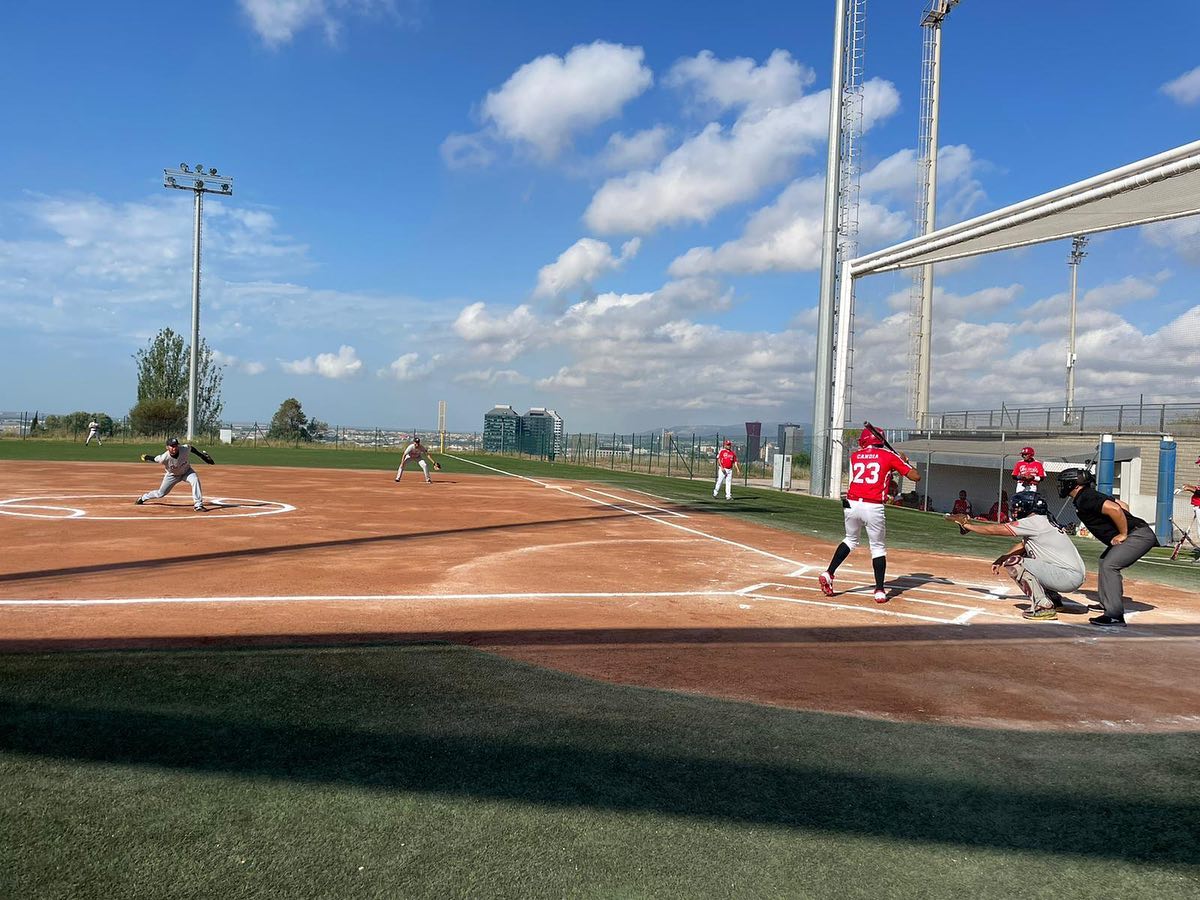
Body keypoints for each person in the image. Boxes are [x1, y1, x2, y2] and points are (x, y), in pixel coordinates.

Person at [818, 428, 920, 604]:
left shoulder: (856, 456)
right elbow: (915, 477)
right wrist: (905, 462)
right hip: (872, 505)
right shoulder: (889, 455)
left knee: (850, 539)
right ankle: (879, 590)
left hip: (850, 502)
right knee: (878, 547)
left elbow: (876, 464)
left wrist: (897, 461)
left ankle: (829, 573)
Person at [948, 492, 1085, 621]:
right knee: (1027, 555)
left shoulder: (1034, 521)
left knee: (1014, 562)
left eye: (1018, 507)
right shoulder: (1044, 521)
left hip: (1067, 577)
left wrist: (967, 525)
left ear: (1028, 508)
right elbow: (1023, 545)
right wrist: (1002, 558)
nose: (1015, 510)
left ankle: (1043, 606)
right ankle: (1053, 599)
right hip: (1070, 575)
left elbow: (996, 529)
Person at [1057, 467, 1158, 627]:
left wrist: (1123, 532)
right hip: (1138, 532)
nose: (1062, 486)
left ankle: (1114, 615)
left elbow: (1115, 509)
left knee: (1110, 565)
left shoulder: (1085, 497)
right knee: (1104, 561)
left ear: (1074, 484)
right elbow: (1122, 505)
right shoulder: (1087, 495)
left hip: (1138, 535)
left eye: (1064, 483)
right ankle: (1106, 603)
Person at [135, 438, 214, 511]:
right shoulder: (164, 458)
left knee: (195, 480)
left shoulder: (184, 448)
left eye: (176, 445)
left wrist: (202, 457)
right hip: (172, 476)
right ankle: (143, 497)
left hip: (187, 471)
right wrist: (146, 457)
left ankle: (198, 505)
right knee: (160, 493)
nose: (174, 448)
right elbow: (155, 459)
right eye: (172, 446)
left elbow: (192, 448)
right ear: (167, 447)